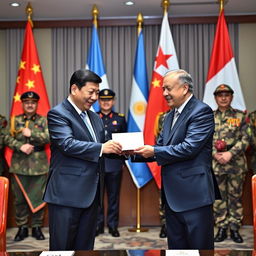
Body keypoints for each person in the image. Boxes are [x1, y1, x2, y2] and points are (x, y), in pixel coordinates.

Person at [133, 69, 220, 249]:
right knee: (177, 248)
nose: (164, 93)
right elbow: (161, 146)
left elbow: (189, 148)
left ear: (184, 88)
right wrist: (132, 152)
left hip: (194, 194)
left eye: (168, 89)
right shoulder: (169, 115)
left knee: (199, 248)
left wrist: (154, 151)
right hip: (172, 196)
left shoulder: (201, 111)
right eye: (163, 89)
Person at [43, 69, 122, 250]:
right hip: (67, 195)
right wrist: (102, 147)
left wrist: (120, 150)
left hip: (92, 194)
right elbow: (67, 144)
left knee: (85, 248)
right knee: (62, 248)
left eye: (97, 92)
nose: (95, 97)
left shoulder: (94, 117)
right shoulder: (58, 114)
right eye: (91, 92)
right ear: (74, 89)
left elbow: (100, 147)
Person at [4, 91, 49, 241]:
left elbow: (51, 137)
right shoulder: (14, 121)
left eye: (33, 102)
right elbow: (5, 137)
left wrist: (33, 133)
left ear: (37, 104)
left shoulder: (44, 121)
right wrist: (19, 146)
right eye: (27, 102)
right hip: (19, 165)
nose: (30, 105)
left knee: (39, 198)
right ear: (22, 104)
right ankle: (22, 228)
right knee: (20, 200)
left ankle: (37, 227)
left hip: (39, 166)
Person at [212, 84, 249, 243]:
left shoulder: (241, 116)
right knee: (218, 198)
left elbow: (246, 139)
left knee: (235, 197)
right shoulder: (208, 117)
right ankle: (221, 227)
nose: (223, 97)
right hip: (216, 165)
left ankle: (234, 228)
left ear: (231, 97)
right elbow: (202, 140)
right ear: (215, 98)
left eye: (227, 94)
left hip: (235, 164)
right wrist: (215, 154)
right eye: (220, 95)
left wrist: (229, 153)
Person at [96, 89, 127, 237]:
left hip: (114, 163)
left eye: (109, 100)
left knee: (114, 197)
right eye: (102, 99)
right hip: (98, 163)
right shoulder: (93, 117)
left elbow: (125, 142)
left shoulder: (120, 119)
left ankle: (113, 226)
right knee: (98, 197)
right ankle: (98, 225)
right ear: (98, 101)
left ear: (113, 101)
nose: (106, 102)